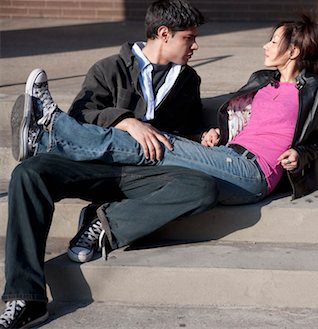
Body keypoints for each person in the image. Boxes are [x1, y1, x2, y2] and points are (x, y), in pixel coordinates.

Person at [13, 11, 318, 260]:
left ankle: (49, 132)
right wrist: (212, 136)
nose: (265, 45)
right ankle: (94, 213)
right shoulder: (261, 82)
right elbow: (243, 124)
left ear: (294, 51)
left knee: (155, 142)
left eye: (273, 40)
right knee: (153, 148)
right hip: (227, 159)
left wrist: (302, 155)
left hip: (254, 172)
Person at [1, 1, 219, 328]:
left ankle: (103, 221)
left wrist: (202, 136)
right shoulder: (109, 68)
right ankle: (26, 296)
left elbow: (181, 134)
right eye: (189, 38)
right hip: (95, 165)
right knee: (27, 174)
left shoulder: (188, 80)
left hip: (147, 174)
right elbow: (80, 117)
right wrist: (125, 121)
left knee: (202, 186)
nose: (195, 45)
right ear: (164, 34)